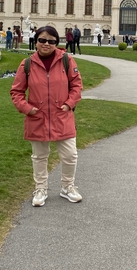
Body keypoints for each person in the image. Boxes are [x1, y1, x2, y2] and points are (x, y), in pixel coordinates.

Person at [10, 26, 83, 207]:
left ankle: (67, 187)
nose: (46, 44)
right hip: (38, 117)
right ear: (36, 41)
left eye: (51, 41)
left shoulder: (66, 60)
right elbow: (17, 91)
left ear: (56, 43)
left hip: (62, 115)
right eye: (42, 40)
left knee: (70, 155)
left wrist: (69, 104)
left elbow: (76, 86)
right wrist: (28, 109)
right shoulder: (27, 64)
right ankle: (40, 188)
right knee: (40, 156)